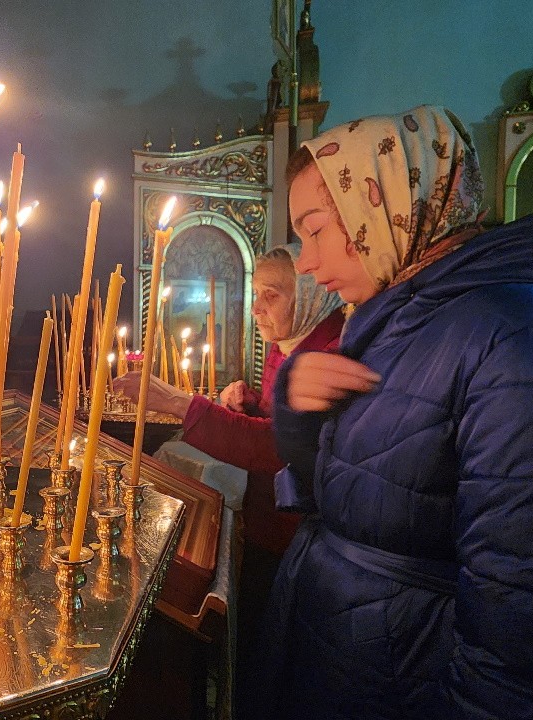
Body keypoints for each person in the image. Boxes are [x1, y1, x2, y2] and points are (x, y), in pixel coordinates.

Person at [266, 105, 533, 719]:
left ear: (380, 205)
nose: (305, 262)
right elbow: (346, 493)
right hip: (357, 668)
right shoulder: (399, 317)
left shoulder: (518, 336)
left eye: (315, 230)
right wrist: (296, 404)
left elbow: (528, 622)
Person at [114, 244, 344, 719]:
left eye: (271, 296)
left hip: (296, 537)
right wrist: (254, 400)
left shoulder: (326, 351)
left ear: (307, 295)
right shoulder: (294, 344)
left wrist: (182, 404)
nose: (257, 308)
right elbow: (288, 423)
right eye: (256, 294)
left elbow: (281, 448)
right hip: (273, 525)